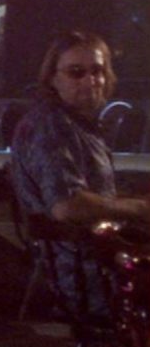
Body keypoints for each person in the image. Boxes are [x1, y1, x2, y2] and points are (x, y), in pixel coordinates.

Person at [11, 31, 150, 317]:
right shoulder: (52, 127)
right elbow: (67, 206)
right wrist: (139, 209)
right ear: (53, 78)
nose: (90, 80)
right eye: (76, 72)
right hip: (91, 278)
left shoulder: (74, 125)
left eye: (97, 70)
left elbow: (96, 196)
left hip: (101, 262)